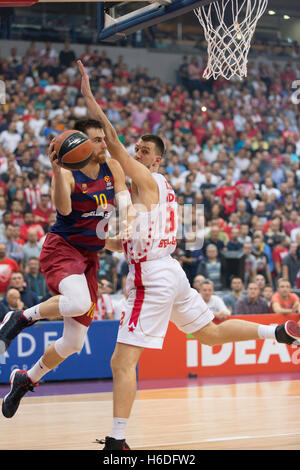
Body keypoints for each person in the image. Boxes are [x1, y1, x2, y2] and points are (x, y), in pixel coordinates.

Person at [78, 60, 300, 451]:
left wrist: (91, 99)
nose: (137, 152)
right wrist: (94, 241)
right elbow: (122, 241)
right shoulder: (151, 190)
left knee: (121, 362)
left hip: (152, 276)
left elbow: (111, 140)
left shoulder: (146, 179)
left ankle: (117, 441)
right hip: (169, 271)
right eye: (138, 148)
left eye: (144, 151)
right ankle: (279, 332)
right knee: (210, 335)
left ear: (156, 161)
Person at [0, 118, 134, 419]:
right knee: (78, 301)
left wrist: (128, 224)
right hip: (63, 248)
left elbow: (123, 197)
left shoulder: (112, 167)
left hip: (89, 256)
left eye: (103, 139)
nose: (103, 144)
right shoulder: (68, 173)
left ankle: (26, 378)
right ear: (81, 145)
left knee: (73, 342)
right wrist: (58, 170)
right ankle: (22, 316)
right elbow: (62, 209)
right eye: (97, 140)